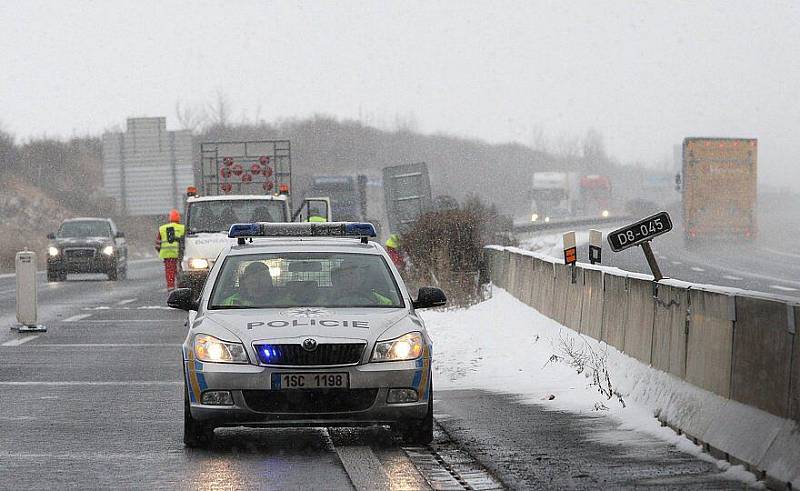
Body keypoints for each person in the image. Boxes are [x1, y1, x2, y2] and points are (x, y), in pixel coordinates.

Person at [155, 209, 185, 290]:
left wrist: (160, 251)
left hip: (168, 256)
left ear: (170, 218)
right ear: (178, 218)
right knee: (181, 273)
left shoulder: (162, 228)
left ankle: (171, 291)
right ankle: (181, 290)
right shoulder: (183, 228)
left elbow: (157, 244)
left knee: (170, 274)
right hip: (180, 255)